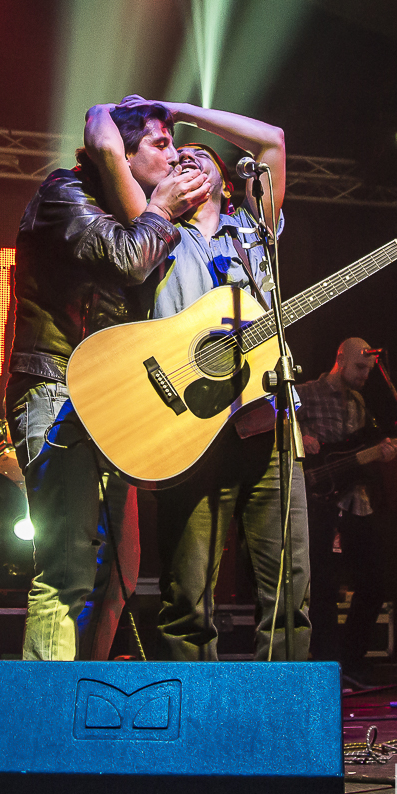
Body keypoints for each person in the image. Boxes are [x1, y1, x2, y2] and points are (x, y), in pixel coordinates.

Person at [99, 95, 311, 662]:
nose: (183, 159)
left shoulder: (253, 233)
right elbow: (103, 139)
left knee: (291, 590)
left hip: (268, 423)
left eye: (198, 157)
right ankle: (194, 729)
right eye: (174, 156)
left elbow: (272, 141)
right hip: (189, 428)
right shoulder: (154, 229)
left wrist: (180, 110)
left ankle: (281, 724)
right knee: (188, 597)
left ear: (224, 178)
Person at [5, 99, 212, 661]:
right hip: (56, 392)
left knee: (118, 571)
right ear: (119, 151)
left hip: (112, 402)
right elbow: (125, 259)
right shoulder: (62, 194)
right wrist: (163, 209)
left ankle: (82, 700)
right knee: (67, 567)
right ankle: (45, 729)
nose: (173, 157)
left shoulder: (141, 214)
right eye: (160, 144)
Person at [297, 338, 397, 682]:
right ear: (340, 358)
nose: (364, 375)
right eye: (359, 367)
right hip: (319, 499)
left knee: (375, 583)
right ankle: (329, 662)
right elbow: (279, 423)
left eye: (369, 370)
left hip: (356, 501)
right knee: (322, 585)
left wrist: (381, 451)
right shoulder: (307, 393)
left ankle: (351, 659)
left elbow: (358, 450)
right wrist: (301, 437)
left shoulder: (360, 402)